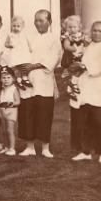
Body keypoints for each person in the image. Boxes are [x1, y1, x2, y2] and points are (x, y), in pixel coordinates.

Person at [18, 10, 62, 158]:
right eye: (36, 20)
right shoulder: (28, 37)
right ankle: (29, 146)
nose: (38, 23)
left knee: (44, 114)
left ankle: (45, 147)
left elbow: (55, 58)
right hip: (29, 79)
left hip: (44, 79)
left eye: (41, 20)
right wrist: (26, 68)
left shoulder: (54, 39)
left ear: (49, 22)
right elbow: (22, 54)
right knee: (27, 112)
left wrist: (34, 66)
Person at [71, 22, 101, 164]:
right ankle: (86, 152)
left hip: (100, 91)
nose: (96, 33)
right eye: (94, 30)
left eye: (100, 31)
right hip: (86, 91)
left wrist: (84, 66)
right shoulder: (87, 47)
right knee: (85, 123)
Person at [61, 15, 90, 103]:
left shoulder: (80, 36)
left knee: (80, 71)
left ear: (79, 27)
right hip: (71, 58)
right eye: (70, 27)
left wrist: (86, 44)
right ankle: (72, 84)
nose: (72, 29)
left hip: (79, 57)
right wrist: (73, 49)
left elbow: (86, 43)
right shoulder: (68, 37)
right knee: (80, 68)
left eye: (74, 27)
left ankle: (71, 89)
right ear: (66, 28)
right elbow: (66, 46)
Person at [4, 15, 35, 89]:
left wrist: (30, 48)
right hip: (15, 53)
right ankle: (18, 80)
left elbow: (28, 42)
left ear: (22, 26)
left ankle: (25, 78)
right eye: (14, 26)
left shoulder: (24, 34)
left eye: (18, 26)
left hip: (23, 53)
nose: (16, 28)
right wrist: (9, 45)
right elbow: (5, 43)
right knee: (16, 67)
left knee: (25, 66)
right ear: (11, 26)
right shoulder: (10, 35)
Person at [0, 66, 21, 155]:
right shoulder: (1, 89)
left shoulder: (14, 89)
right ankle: (6, 147)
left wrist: (12, 103)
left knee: (10, 130)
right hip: (2, 111)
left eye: (8, 78)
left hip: (11, 111)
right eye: (4, 78)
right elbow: (0, 99)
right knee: (3, 130)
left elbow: (18, 101)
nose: (6, 80)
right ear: (0, 79)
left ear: (13, 78)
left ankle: (12, 148)